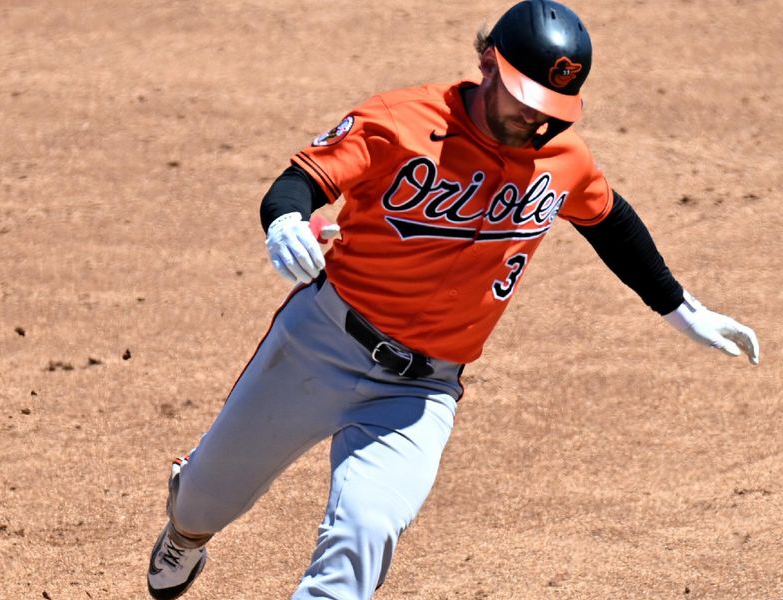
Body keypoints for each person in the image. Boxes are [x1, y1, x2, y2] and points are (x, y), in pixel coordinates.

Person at [146, 1, 760, 598]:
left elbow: (610, 220)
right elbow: (298, 184)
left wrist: (681, 308)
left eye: (551, 109)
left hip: (419, 393)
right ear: (489, 63)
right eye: (524, 101)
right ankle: (187, 527)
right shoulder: (400, 120)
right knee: (207, 499)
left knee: (364, 535)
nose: (535, 122)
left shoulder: (561, 157)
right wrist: (284, 222)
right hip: (320, 344)